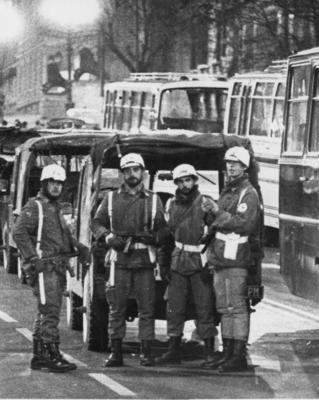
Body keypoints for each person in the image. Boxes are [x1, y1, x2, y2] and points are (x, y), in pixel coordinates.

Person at [91, 153, 169, 367]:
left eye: (136, 170)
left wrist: (156, 237)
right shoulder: (111, 198)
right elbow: (96, 223)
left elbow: (164, 229)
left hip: (144, 261)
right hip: (120, 260)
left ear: (142, 173)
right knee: (117, 307)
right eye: (127, 170)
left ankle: (146, 352)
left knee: (147, 308)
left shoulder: (154, 200)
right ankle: (116, 352)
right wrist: (108, 237)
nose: (132, 174)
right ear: (122, 174)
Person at [12, 164, 91, 373]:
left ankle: (39, 356)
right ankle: (51, 355)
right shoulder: (35, 207)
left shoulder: (54, 208)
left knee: (44, 311)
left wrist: (78, 246)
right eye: (52, 183)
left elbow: (62, 235)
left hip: (55, 267)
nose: (56, 187)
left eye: (59, 184)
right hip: (44, 268)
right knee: (50, 312)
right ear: (44, 184)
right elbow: (18, 232)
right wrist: (32, 257)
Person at [201, 146, 262, 373]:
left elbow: (244, 223)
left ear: (245, 167)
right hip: (221, 258)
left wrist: (217, 212)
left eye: (236, 163)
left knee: (236, 306)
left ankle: (237, 355)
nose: (231, 166)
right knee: (225, 307)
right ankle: (228, 352)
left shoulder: (248, 193)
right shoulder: (230, 191)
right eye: (228, 163)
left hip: (236, 258)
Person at [155, 164, 217, 366]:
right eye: (180, 181)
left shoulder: (205, 203)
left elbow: (215, 235)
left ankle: (209, 351)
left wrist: (211, 264)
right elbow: (166, 237)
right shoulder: (171, 204)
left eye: (188, 180)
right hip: (177, 260)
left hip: (199, 260)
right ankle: (173, 350)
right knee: (174, 307)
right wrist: (164, 264)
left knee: (204, 307)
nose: (184, 185)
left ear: (194, 180)